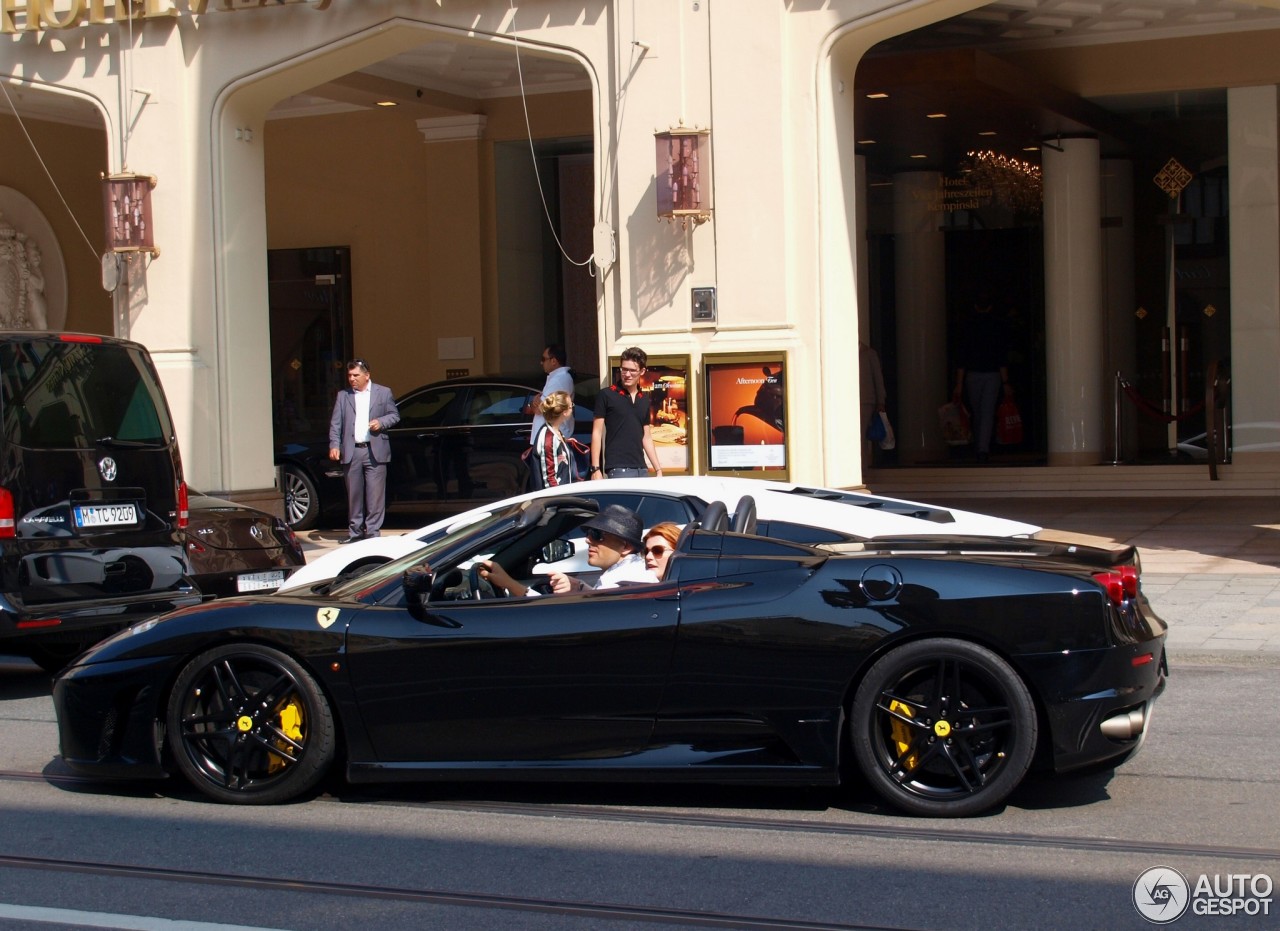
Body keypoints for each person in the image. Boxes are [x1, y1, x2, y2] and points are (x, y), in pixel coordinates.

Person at [479, 504, 652, 596]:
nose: (587, 539)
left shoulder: (622, 582)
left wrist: (508, 584)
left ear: (626, 547)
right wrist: (579, 588)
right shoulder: (627, 572)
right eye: (589, 533)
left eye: (597, 534)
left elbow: (561, 620)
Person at [328, 358, 400, 543]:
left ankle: (372, 533)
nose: (352, 379)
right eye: (350, 376)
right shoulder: (343, 396)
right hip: (352, 451)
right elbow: (336, 423)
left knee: (375, 496)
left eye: (356, 375)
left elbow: (394, 415)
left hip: (375, 450)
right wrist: (334, 445)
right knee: (354, 495)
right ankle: (355, 533)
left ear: (367, 375)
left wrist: (381, 422)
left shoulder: (383, 393)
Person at [952, 292, 1013, 463]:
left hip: (972, 375)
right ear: (991, 307)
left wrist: (959, 384)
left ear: (975, 307)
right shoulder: (997, 327)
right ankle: (983, 449)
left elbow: (962, 358)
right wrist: (1006, 381)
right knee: (987, 412)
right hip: (993, 375)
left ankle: (978, 445)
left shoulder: (967, 327)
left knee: (977, 412)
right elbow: (1001, 357)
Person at [589, 346, 663, 479]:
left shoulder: (644, 399)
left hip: (642, 469)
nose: (627, 374)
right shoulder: (606, 394)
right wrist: (595, 469)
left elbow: (646, 436)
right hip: (618, 468)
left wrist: (658, 469)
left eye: (632, 370)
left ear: (642, 371)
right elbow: (597, 432)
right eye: (624, 369)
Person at [527, 343, 574, 442]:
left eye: (543, 359)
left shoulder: (559, 379)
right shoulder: (558, 377)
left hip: (551, 439)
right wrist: (533, 404)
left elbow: (540, 409)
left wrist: (534, 405)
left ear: (553, 361)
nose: (541, 362)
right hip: (549, 437)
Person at [529, 390, 575, 490]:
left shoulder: (556, 432)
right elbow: (549, 480)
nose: (572, 408)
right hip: (556, 500)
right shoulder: (549, 438)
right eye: (571, 406)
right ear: (565, 412)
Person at [859, 341, 887, 458]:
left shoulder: (869, 354)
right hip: (851, 400)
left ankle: (863, 469)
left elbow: (877, 378)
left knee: (860, 436)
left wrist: (881, 401)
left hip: (866, 401)